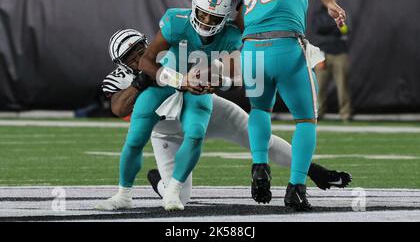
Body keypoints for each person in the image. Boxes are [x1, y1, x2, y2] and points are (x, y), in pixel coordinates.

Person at [97, 28, 352, 208]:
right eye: (129, 55)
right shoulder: (119, 79)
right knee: (178, 199)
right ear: (120, 63)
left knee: (260, 141)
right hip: (166, 132)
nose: (138, 56)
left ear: (146, 42)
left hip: (205, 110)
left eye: (139, 48)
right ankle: (159, 182)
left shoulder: (170, 52)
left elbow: (209, 67)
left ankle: (313, 170)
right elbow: (118, 108)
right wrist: (141, 81)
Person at [95, 0, 242, 212]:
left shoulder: (230, 35)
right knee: (135, 138)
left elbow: (237, 76)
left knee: (196, 132)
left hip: (196, 86)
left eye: (214, 17)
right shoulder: (175, 21)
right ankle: (124, 193)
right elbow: (142, 71)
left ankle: (172, 189)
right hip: (167, 88)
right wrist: (174, 80)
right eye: (128, 56)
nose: (207, 21)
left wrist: (218, 80)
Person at [237, 0, 346, 211]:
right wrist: (330, 2)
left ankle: (259, 167)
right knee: (306, 119)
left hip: (251, 50)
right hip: (285, 44)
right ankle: (296, 188)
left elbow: (239, 21)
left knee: (259, 109)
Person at [312, 0, 352, 122]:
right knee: (319, 86)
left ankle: (345, 114)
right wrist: (335, 25)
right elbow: (318, 29)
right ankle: (318, 113)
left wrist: (335, 26)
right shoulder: (318, 14)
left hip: (339, 53)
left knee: (342, 86)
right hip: (322, 54)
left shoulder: (341, 12)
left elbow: (345, 30)